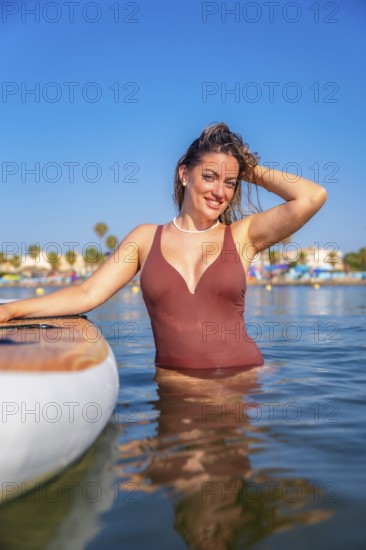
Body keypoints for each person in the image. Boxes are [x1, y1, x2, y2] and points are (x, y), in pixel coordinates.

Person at [0, 123, 327, 369]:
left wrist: (248, 167)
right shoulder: (145, 239)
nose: (220, 192)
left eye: (230, 182)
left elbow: (312, 196)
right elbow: (87, 294)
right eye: (210, 176)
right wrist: (11, 309)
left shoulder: (241, 236)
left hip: (240, 382)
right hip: (175, 391)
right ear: (185, 174)